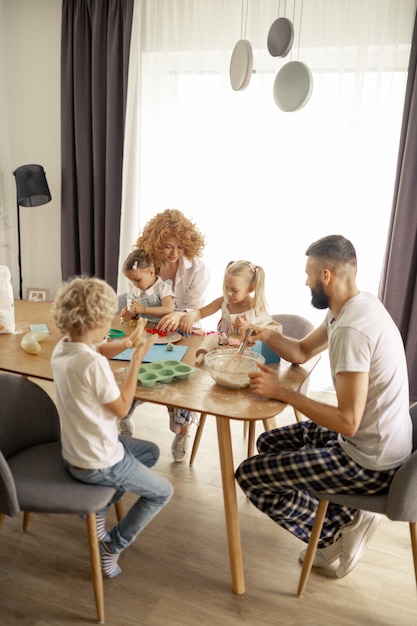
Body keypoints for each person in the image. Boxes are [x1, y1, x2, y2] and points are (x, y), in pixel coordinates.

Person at [235, 234, 412, 578]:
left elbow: (347, 421)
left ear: (326, 276)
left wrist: (283, 393)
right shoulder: (354, 307)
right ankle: (347, 514)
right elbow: (301, 351)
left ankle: (334, 533)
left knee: (250, 476)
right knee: (268, 443)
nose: (306, 281)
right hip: (374, 440)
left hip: (370, 460)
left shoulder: (352, 330)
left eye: (309, 274)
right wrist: (267, 334)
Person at [51, 276, 174, 579]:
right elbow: (121, 409)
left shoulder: (64, 348)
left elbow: (94, 351)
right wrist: (135, 361)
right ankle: (113, 545)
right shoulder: (93, 366)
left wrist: (126, 342)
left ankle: (97, 509)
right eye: (108, 319)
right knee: (162, 492)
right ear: (96, 322)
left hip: (74, 452)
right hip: (98, 461)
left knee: (149, 452)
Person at [134, 208, 210, 462]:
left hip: (185, 330)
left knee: (179, 381)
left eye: (180, 247)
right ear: (156, 244)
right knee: (135, 369)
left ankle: (182, 431)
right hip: (151, 327)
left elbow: (196, 308)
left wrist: (178, 315)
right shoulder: (144, 263)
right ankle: (123, 416)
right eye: (167, 247)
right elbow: (136, 293)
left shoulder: (197, 269)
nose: (174, 253)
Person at [179, 259, 272, 335]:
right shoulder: (223, 301)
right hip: (221, 350)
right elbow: (201, 312)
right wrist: (192, 315)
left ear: (250, 289)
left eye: (234, 290)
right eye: (226, 287)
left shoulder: (255, 308)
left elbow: (263, 336)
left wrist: (248, 327)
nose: (228, 293)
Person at [120, 248, 175, 325]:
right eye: (132, 280)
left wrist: (144, 309)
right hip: (144, 328)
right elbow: (134, 314)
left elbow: (169, 308)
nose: (134, 284)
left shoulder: (162, 287)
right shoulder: (135, 290)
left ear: (151, 272)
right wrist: (128, 313)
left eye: (138, 280)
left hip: (163, 328)